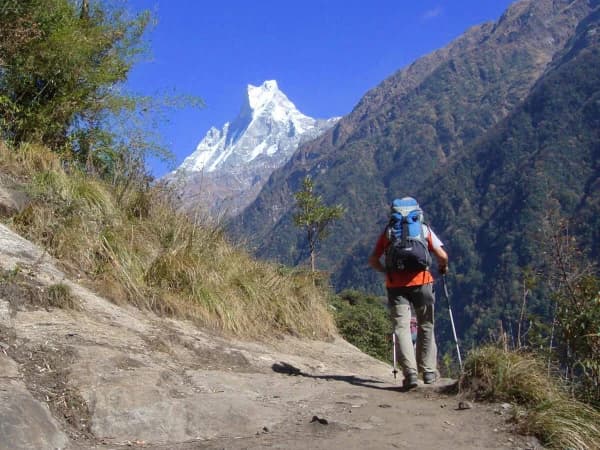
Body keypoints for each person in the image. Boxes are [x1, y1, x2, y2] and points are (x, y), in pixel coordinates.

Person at [368, 197, 448, 389]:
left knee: (402, 328)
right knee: (426, 325)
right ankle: (428, 372)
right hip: (422, 283)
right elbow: (442, 256)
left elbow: (373, 260)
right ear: (417, 213)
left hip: (396, 286)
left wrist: (386, 271)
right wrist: (443, 268)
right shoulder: (423, 230)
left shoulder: (389, 232)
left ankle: (410, 374)